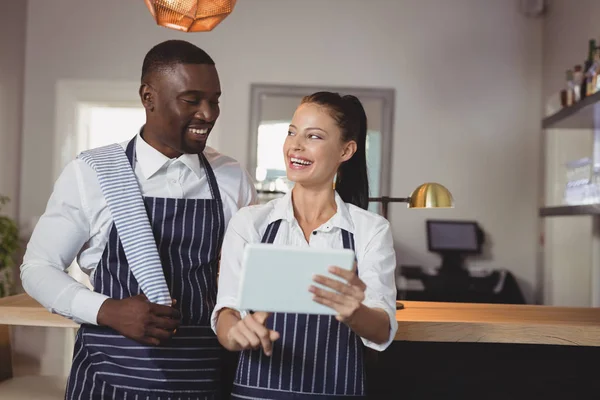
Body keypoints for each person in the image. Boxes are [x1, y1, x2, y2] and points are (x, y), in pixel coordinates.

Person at [20, 40, 256, 399]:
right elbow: (38, 267)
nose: (208, 113)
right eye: (192, 100)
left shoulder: (231, 177)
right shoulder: (93, 174)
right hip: (109, 375)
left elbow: (248, 274)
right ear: (149, 97)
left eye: (215, 100)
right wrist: (107, 310)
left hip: (204, 374)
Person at [212, 91, 398, 399]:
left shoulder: (370, 230)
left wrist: (354, 313)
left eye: (314, 136)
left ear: (346, 150)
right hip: (257, 391)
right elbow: (227, 311)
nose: (295, 145)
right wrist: (235, 334)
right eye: (291, 132)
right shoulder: (250, 223)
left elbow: (381, 329)